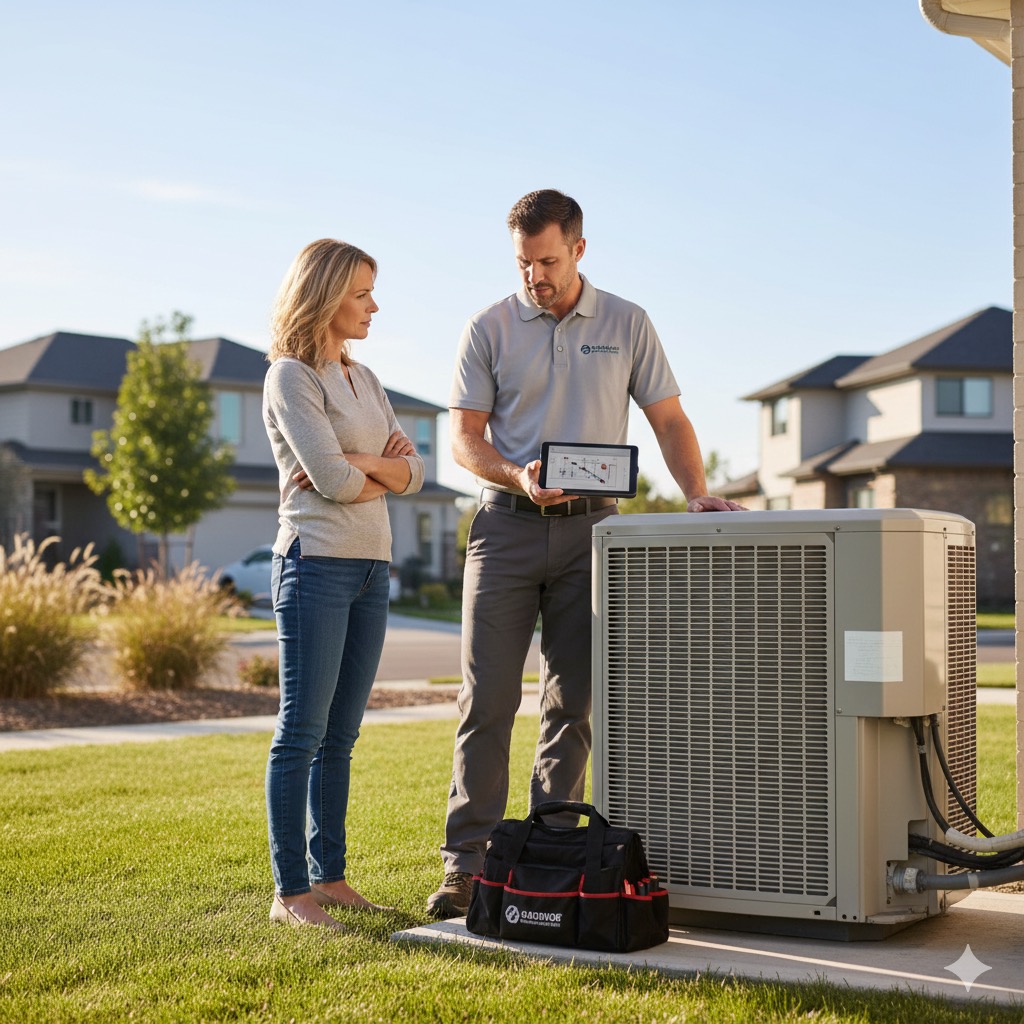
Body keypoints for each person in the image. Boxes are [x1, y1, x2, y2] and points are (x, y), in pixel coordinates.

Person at [426, 189, 743, 918]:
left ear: (578, 249)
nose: (534, 275)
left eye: (546, 260)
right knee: (489, 700)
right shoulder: (489, 326)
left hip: (594, 531)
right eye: (522, 262)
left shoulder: (627, 322)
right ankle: (466, 866)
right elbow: (465, 437)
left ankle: (548, 851)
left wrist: (696, 492)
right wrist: (515, 474)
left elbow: (668, 417)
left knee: (574, 702)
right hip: (505, 526)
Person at [263, 238, 425, 930]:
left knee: (343, 735)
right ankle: (290, 892)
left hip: (371, 567)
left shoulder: (366, 379)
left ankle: (331, 877)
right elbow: (329, 482)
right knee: (302, 731)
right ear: (326, 295)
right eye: (361, 293)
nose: (373, 305)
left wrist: (359, 462)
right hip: (314, 563)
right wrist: (368, 469)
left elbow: (413, 474)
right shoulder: (291, 377)